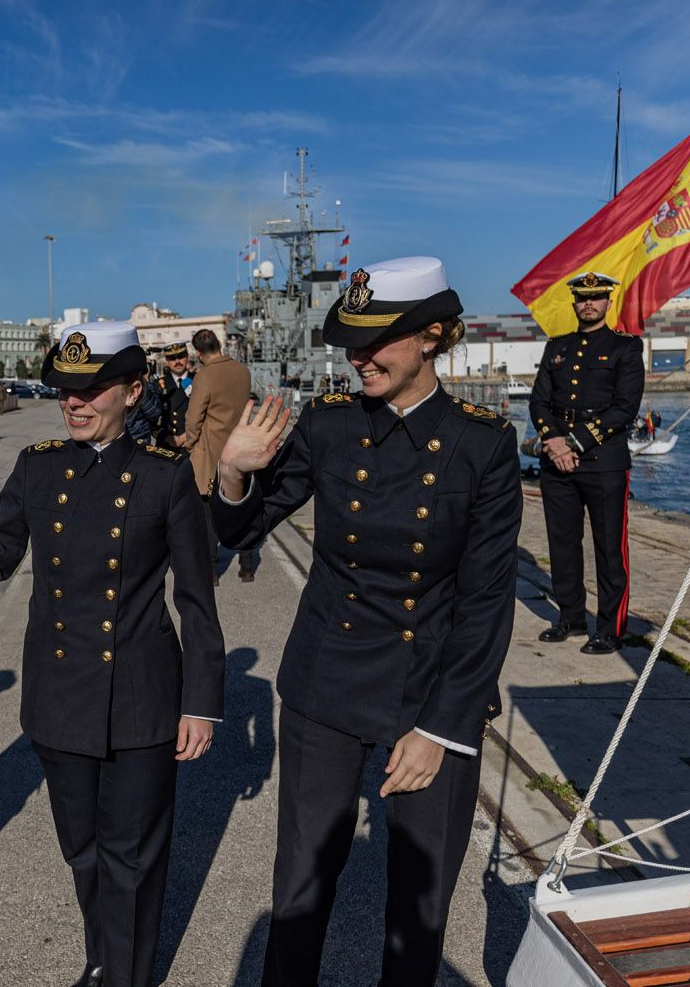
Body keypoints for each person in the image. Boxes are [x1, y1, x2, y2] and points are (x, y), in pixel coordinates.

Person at [212, 258, 521, 986]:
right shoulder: (329, 425)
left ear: (432, 337)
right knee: (301, 887)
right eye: (351, 342)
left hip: (429, 692)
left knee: (418, 907)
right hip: (327, 685)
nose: (358, 359)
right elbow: (241, 527)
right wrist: (233, 472)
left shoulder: (483, 445)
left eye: (376, 341)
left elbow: (485, 602)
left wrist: (442, 728)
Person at [0, 322, 224, 987]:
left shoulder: (165, 478)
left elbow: (198, 602)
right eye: (67, 390)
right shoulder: (39, 467)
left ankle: (122, 975)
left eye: (92, 389)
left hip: (142, 699)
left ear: (133, 390)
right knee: (83, 850)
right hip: (60, 698)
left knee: (131, 858)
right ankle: (103, 957)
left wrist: (201, 703)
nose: (76, 403)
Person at [529, 271, 645, 655]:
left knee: (609, 549)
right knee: (562, 545)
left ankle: (610, 629)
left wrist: (575, 441)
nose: (588, 303)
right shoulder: (557, 347)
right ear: (574, 302)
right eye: (582, 298)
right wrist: (554, 441)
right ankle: (571, 618)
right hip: (557, 464)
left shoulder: (626, 349)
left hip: (604, 463)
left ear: (608, 302)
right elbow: (539, 402)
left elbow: (625, 408)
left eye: (596, 297)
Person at [183, 328, 258, 582]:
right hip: (241, 452)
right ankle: (247, 567)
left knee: (209, 517)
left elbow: (194, 419)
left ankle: (213, 571)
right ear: (219, 345)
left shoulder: (204, 376)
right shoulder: (242, 371)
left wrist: (190, 445)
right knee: (244, 511)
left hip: (211, 454)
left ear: (198, 353)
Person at [157, 343, 192, 450]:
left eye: (181, 357)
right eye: (172, 358)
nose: (177, 362)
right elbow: (150, 419)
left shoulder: (198, 380)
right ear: (167, 361)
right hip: (168, 444)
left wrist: (189, 434)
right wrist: (165, 436)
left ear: (187, 357)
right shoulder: (158, 384)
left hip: (192, 442)